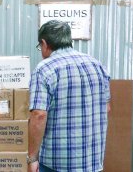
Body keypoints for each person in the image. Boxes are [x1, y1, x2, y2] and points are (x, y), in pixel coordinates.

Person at [28, 20, 111, 172]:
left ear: (44, 43)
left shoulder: (45, 68)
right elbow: (106, 108)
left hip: (58, 163)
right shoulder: (97, 65)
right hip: (92, 161)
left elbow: (39, 115)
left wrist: (32, 158)